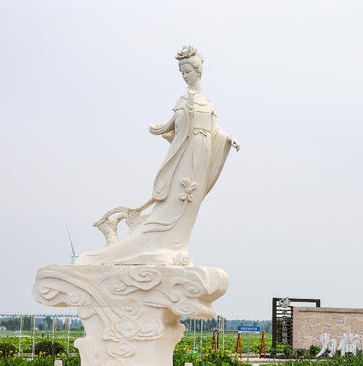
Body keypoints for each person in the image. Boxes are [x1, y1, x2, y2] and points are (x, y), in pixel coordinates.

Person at [77, 45, 240, 266]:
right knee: (177, 197)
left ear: (198, 71)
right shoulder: (183, 101)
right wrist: (170, 126)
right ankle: (162, 244)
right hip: (185, 154)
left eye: (187, 71)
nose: (185, 76)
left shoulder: (207, 103)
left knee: (191, 202)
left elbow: (215, 130)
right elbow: (177, 127)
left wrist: (227, 139)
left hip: (203, 153)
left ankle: (178, 246)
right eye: (182, 72)